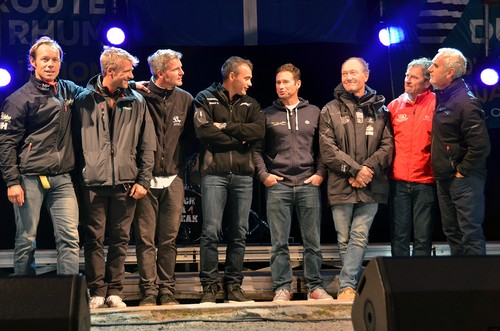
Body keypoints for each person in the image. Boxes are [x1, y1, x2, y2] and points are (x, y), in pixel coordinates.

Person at [73, 46, 156, 309]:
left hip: (126, 182)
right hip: (93, 183)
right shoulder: (83, 101)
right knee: (94, 239)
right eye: (128, 71)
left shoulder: (137, 101)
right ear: (111, 71)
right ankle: (96, 290)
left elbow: (147, 144)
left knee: (120, 239)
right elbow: (72, 143)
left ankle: (115, 291)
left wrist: (143, 180)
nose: (131, 76)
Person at [0, 36, 82, 276]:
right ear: (32, 62)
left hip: (62, 178)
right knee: (26, 239)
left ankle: (67, 298)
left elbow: (94, 91)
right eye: (44, 59)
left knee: (69, 238)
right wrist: (12, 182)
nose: (50, 64)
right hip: (29, 178)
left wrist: (132, 85)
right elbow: (5, 143)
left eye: (55, 59)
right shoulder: (18, 99)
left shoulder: (67, 89)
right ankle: (24, 301)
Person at [253, 63, 332, 302]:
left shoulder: (314, 112)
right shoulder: (266, 114)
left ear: (297, 84)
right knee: (278, 243)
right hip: (279, 186)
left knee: (313, 242)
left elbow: (323, 149)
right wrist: (264, 175)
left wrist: (320, 174)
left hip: (308, 183)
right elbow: (256, 150)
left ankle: (315, 287)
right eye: (278, 82)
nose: (281, 86)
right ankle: (282, 288)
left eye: (286, 82)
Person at [319, 57, 393, 301]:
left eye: (353, 73)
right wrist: (354, 171)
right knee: (344, 238)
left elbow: (388, 146)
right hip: (341, 183)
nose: (348, 77)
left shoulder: (382, 110)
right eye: (344, 74)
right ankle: (350, 285)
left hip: (371, 183)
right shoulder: (329, 109)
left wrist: (366, 170)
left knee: (359, 235)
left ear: (366, 76)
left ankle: (346, 286)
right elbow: (327, 149)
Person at [193, 56, 265, 304]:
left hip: (244, 177)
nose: (250, 83)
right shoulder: (204, 97)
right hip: (214, 174)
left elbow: (258, 132)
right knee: (210, 232)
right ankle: (209, 287)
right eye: (247, 78)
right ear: (232, 76)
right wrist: (238, 136)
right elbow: (203, 132)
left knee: (239, 233)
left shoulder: (251, 103)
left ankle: (234, 286)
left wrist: (223, 126)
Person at [133, 49, 196, 306]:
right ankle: (148, 291)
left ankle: (167, 290)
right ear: (160, 73)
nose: (182, 72)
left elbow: (192, 138)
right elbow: (101, 88)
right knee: (146, 240)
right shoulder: (138, 96)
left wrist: (182, 167)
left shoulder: (186, 99)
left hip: (173, 179)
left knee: (168, 240)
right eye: (176, 69)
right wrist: (128, 84)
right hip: (144, 180)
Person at [428, 48, 490, 256]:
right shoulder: (443, 96)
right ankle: (461, 284)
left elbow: (480, 145)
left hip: (464, 180)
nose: (430, 69)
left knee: (469, 234)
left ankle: (477, 286)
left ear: (449, 73)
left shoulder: (465, 101)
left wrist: (462, 171)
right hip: (445, 177)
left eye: (435, 66)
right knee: (452, 232)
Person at [388, 58, 436, 257]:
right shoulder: (393, 107)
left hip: (425, 181)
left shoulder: (437, 103)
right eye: (407, 75)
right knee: (399, 235)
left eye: (414, 77)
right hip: (399, 182)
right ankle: (398, 282)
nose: (407, 80)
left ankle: (420, 282)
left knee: (423, 236)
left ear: (426, 83)